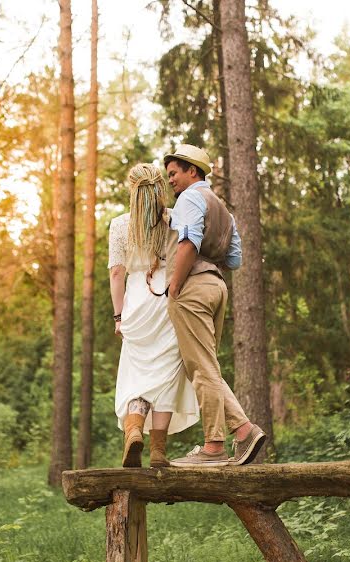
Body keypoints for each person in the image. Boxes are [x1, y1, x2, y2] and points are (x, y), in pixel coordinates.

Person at [159, 144, 266, 467]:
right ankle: (244, 430)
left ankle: (213, 445)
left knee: (200, 368)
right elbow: (234, 258)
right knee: (207, 365)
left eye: (174, 173)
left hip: (191, 287)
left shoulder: (190, 198)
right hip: (217, 286)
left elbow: (188, 241)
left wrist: (175, 284)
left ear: (193, 171)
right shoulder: (222, 208)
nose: (171, 181)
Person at [109, 163, 200, 468]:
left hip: (136, 301)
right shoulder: (173, 219)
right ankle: (158, 451)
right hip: (168, 299)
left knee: (137, 376)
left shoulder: (120, 225)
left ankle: (134, 430)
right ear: (160, 187)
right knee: (165, 376)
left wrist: (119, 317)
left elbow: (117, 274)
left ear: (132, 189)